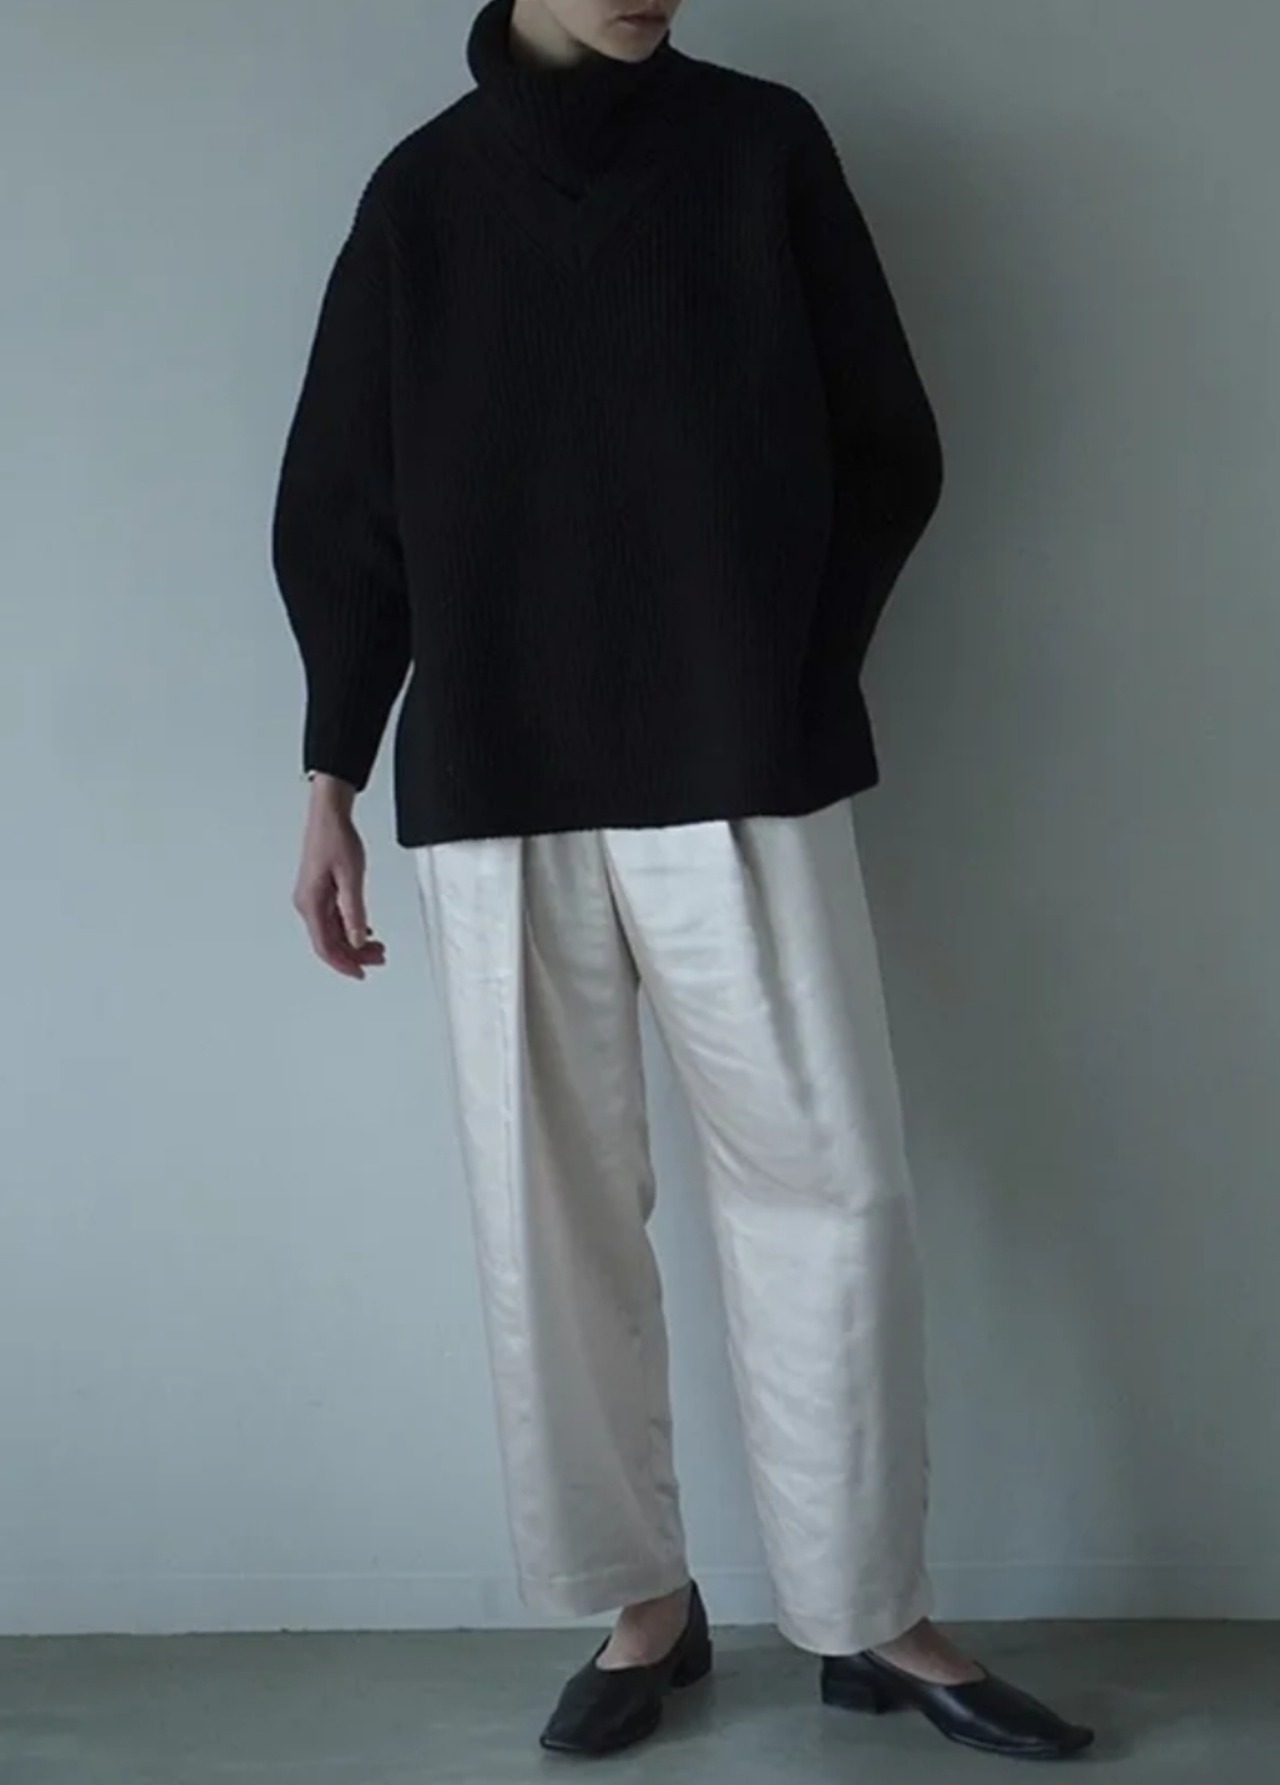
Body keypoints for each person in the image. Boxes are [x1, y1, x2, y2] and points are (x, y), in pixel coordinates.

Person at [272, 0, 1095, 1763]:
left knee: (833, 1188)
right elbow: (344, 501)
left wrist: (786, 661)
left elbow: (889, 444)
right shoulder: (423, 196)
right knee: (545, 1216)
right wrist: (332, 766)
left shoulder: (760, 148)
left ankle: (872, 1611)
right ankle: (643, 1601)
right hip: (498, 775)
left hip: (741, 755)